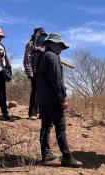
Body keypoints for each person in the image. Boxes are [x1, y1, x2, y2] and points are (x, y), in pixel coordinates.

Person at [35, 33, 82, 167]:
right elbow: (57, 81)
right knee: (60, 128)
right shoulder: (53, 57)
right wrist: (63, 98)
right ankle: (67, 157)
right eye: (60, 45)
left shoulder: (41, 57)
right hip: (53, 98)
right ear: (52, 44)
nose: (61, 48)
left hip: (42, 98)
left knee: (46, 127)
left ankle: (45, 155)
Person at [24, 27, 48, 120]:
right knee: (35, 91)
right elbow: (27, 58)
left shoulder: (46, 45)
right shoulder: (30, 44)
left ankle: (43, 113)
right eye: (41, 34)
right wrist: (29, 71)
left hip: (45, 72)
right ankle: (32, 113)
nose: (42, 36)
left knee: (45, 92)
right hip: (34, 71)